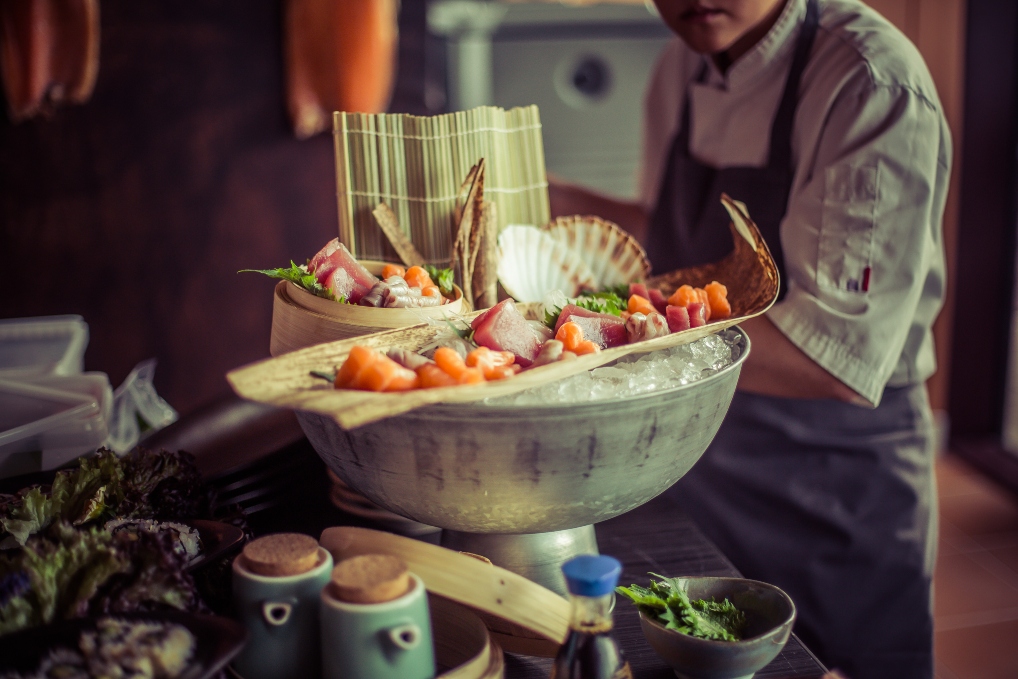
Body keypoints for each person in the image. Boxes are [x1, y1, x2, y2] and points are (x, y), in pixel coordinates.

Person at [550, 1, 949, 677]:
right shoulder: (683, 64)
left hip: (831, 477)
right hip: (698, 448)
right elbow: (671, 237)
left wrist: (607, 339)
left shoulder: (869, 83)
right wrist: (546, 197)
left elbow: (833, 359)